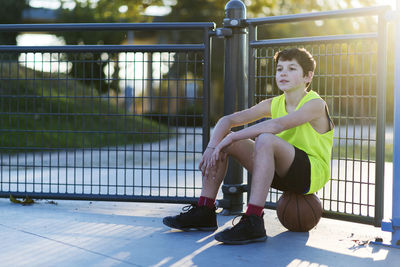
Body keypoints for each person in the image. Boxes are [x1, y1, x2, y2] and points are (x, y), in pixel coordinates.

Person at [163, 47, 334, 245]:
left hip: (310, 173)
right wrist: (213, 146)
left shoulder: (315, 104)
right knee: (227, 141)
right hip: (280, 171)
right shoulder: (274, 103)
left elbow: (276, 125)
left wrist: (233, 137)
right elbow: (227, 120)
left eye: (292, 68)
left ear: (308, 76)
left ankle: (253, 220)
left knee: (264, 138)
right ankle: (205, 210)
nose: (283, 73)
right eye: (279, 69)